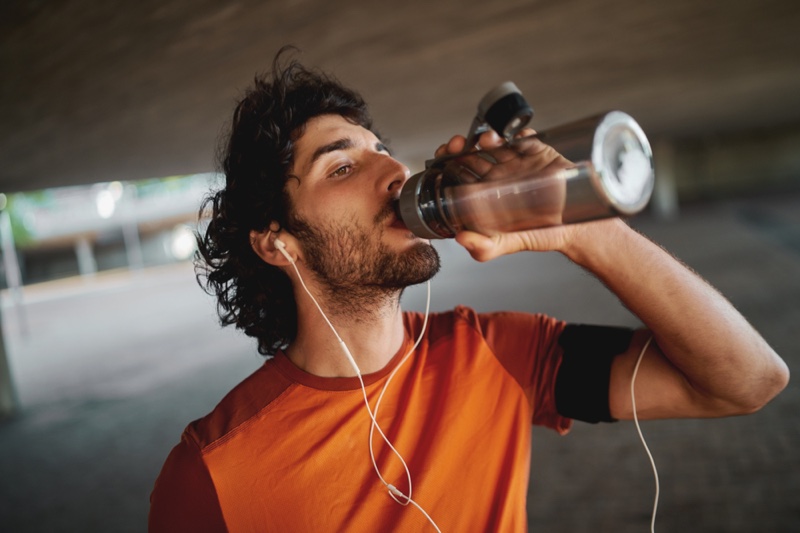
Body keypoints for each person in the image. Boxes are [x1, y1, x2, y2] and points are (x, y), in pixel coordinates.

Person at [148, 52, 789, 532]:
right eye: (341, 166)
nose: (395, 172)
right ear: (277, 242)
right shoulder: (212, 471)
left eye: (383, 152)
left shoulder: (499, 354)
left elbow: (747, 381)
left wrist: (587, 234)